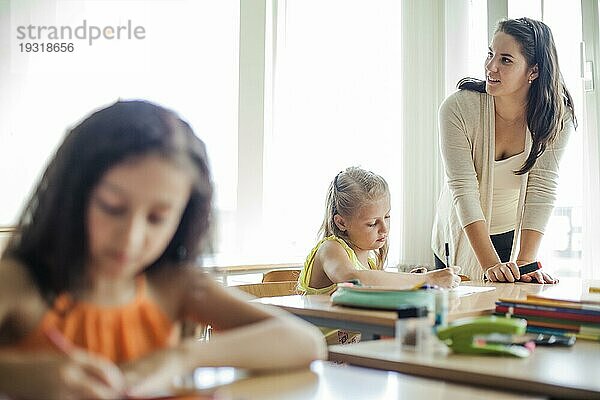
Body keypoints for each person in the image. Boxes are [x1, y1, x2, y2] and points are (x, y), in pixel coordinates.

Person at [0, 100, 326, 399]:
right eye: (112, 207)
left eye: (158, 218)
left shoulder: (175, 285)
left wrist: (183, 357)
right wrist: (20, 375)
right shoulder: (20, 281)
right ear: (72, 197)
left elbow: (305, 342)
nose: (131, 238)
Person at [432, 17, 576, 283]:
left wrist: (525, 262)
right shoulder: (457, 109)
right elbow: (463, 187)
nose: (490, 66)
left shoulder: (557, 117)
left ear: (533, 71)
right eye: (490, 54)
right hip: (459, 232)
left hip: (508, 231)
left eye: (505, 60)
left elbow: (542, 187)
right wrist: (489, 264)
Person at [299, 166, 460, 296]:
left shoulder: (369, 263)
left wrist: (412, 280)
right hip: (319, 338)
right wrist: (427, 279)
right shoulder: (331, 248)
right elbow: (351, 279)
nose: (384, 229)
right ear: (341, 222)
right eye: (372, 223)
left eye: (387, 217)